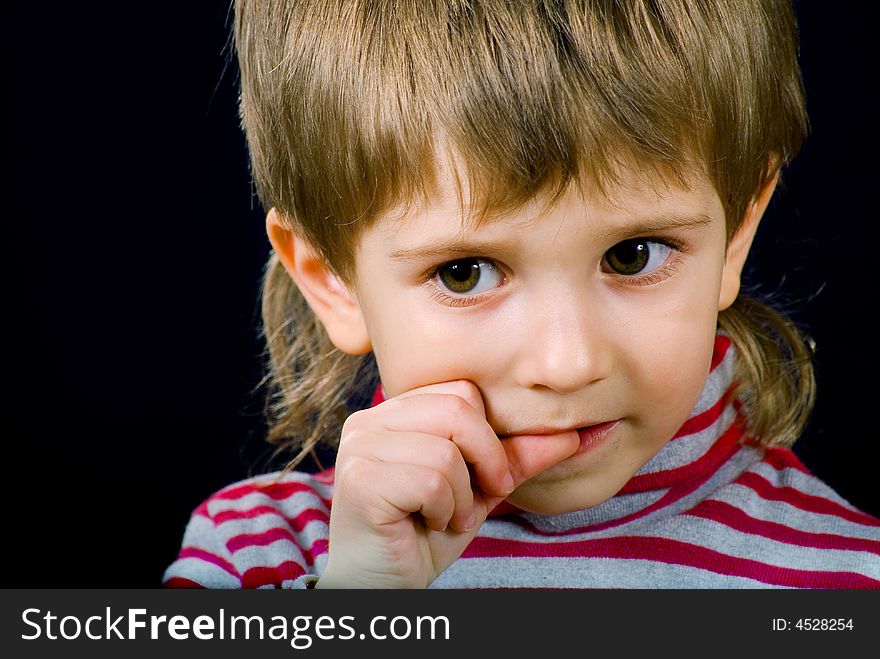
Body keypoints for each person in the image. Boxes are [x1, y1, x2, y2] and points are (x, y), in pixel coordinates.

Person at [164, 0, 880, 589]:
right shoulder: (254, 560)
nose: (566, 363)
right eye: (465, 272)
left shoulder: (848, 578)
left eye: (633, 256)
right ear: (332, 282)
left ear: (736, 234)